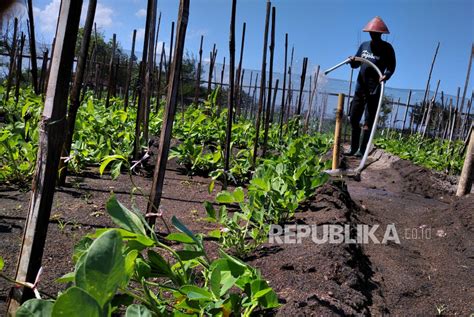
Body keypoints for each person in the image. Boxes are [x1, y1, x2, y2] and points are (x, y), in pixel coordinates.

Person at [346, 16, 396, 157]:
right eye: (371, 33)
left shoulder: (387, 49)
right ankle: (353, 148)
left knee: (368, 122)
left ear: (381, 34)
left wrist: (386, 75)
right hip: (360, 88)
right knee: (354, 119)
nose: (373, 35)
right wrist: (352, 60)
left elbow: (391, 67)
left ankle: (362, 151)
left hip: (374, 90)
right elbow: (356, 64)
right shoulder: (364, 46)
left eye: (376, 33)